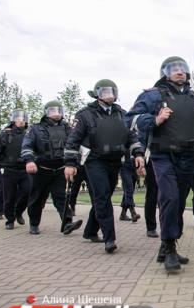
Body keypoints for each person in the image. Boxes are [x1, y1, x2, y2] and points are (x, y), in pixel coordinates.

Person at [126, 56, 194, 272]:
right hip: (163, 156)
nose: (180, 71)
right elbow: (131, 119)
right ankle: (170, 247)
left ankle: (167, 244)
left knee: (179, 202)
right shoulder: (153, 96)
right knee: (170, 198)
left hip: (189, 156)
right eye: (174, 69)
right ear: (165, 73)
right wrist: (154, 119)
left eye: (183, 68)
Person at [64, 80, 145, 253]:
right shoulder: (85, 114)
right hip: (94, 160)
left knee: (105, 196)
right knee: (102, 197)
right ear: (97, 94)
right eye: (105, 91)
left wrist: (138, 154)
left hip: (115, 161)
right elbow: (73, 140)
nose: (109, 94)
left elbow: (131, 136)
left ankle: (90, 231)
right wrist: (70, 163)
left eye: (112, 91)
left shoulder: (122, 114)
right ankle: (110, 238)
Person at [22, 101, 83, 235]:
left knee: (61, 197)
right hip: (40, 170)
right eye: (52, 111)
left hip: (60, 169)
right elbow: (27, 146)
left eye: (58, 111)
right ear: (46, 113)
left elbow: (75, 146)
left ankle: (67, 223)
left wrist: (74, 164)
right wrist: (29, 161)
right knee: (36, 198)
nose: (56, 113)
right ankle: (34, 223)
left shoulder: (68, 129)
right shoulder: (36, 129)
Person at [0, 110, 31, 229]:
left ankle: (18, 212)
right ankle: (10, 220)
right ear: (13, 120)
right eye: (18, 118)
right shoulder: (5, 134)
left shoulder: (29, 134)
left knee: (28, 191)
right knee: (9, 196)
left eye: (23, 118)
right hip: (8, 169)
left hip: (24, 169)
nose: (21, 120)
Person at [119, 151, 141, 222]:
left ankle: (123, 214)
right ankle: (133, 213)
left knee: (128, 191)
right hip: (124, 166)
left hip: (134, 167)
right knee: (129, 189)